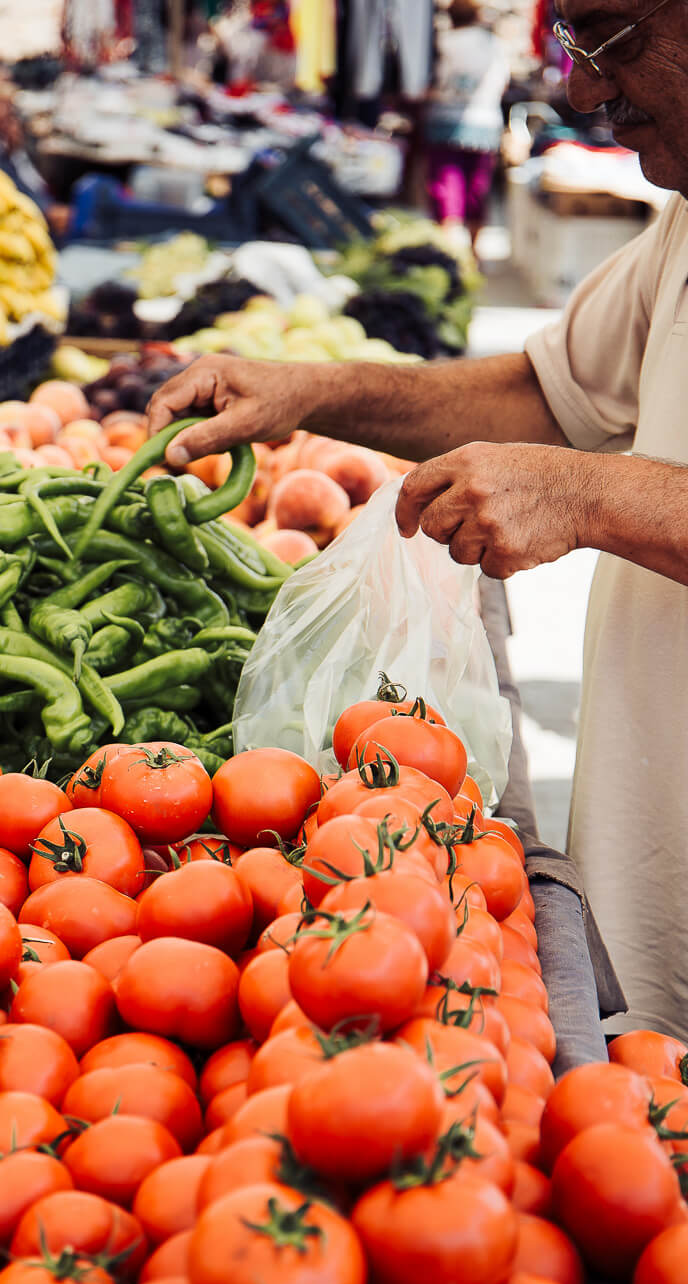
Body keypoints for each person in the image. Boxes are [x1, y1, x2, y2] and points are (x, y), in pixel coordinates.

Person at [146, 0, 688, 1041]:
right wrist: (311, 391)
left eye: (610, 36)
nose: (581, 88)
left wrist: (591, 497)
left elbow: (576, 461)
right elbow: (546, 395)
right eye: (571, 43)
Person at [425, 0, 510, 247]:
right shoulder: (493, 44)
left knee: (446, 188)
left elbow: (427, 83)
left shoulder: (443, 42)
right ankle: (474, 253)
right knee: (477, 191)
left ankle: (449, 254)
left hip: (444, 122)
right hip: (485, 124)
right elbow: (503, 83)